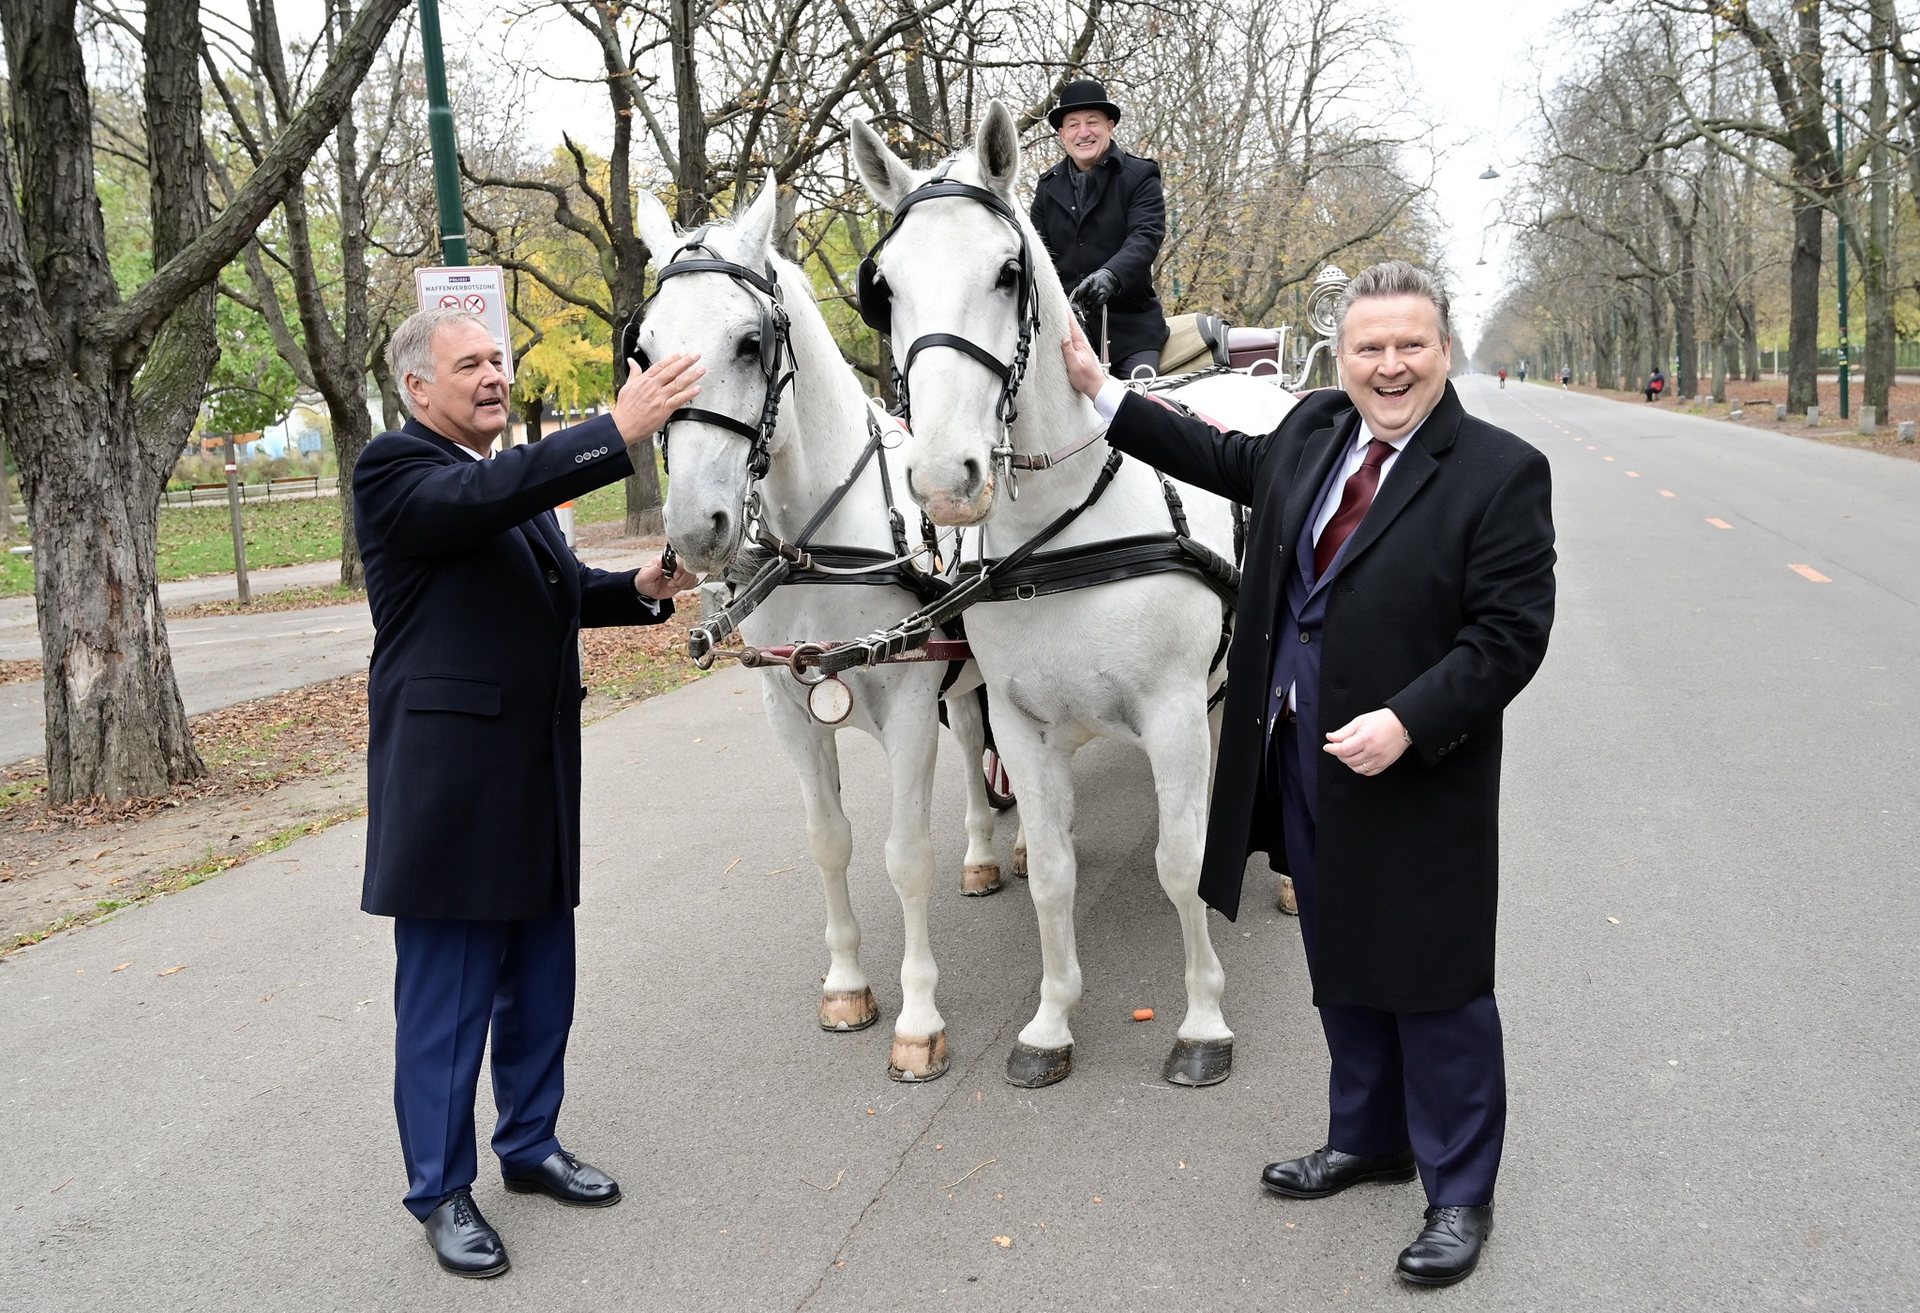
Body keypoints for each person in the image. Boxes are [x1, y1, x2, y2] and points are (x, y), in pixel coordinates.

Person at [1060, 260, 1556, 1287]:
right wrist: (1097, 386)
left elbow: (1509, 636)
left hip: (1419, 768)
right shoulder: (1314, 432)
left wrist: (1410, 721)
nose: (1389, 366)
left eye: (1409, 345)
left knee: (1437, 980)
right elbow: (1214, 453)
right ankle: (1369, 1137)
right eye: (1369, 347)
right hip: (1297, 753)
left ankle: (1459, 1189)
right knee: (1341, 959)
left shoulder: (1500, 471)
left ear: (1444, 350)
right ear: (1341, 357)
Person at [353, 308, 703, 1278]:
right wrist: (616, 430)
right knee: (449, 1003)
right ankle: (439, 1189)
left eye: (499, 360)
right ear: (419, 388)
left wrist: (645, 581)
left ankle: (531, 1144)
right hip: (453, 792)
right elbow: (481, 502)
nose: (495, 376)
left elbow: (559, 588)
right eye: (470, 364)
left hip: (538, 775)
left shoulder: (499, 487)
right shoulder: (397, 470)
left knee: (542, 982)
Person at [1029, 78, 1169, 377]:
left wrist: (1111, 274)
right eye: (1073, 124)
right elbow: (1037, 257)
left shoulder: (1140, 175)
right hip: (1066, 337)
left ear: (1110, 125)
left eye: (1092, 122)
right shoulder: (1047, 187)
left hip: (1131, 334)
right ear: (1062, 133)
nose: (1084, 132)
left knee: (1139, 413)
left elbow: (1145, 237)